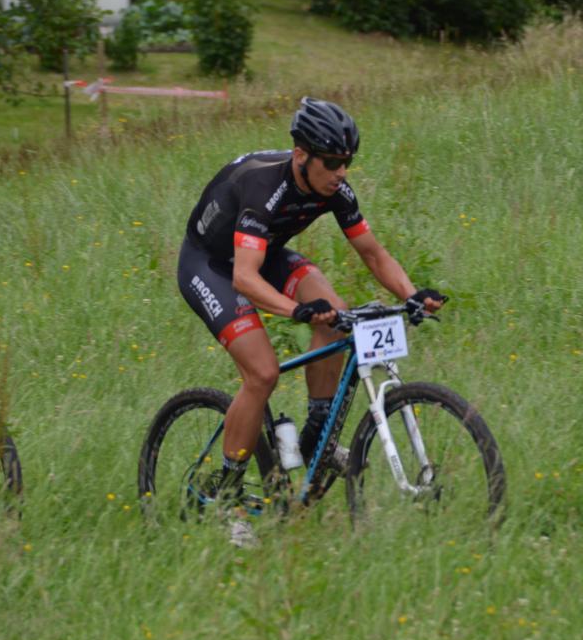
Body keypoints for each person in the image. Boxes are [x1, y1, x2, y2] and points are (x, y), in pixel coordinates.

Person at [177, 97, 444, 545]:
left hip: (263, 254)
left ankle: (316, 440)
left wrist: (412, 295)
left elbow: (373, 253)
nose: (342, 172)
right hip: (212, 265)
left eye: (348, 162)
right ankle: (226, 495)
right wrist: (294, 309)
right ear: (301, 155)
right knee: (262, 373)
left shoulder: (336, 189)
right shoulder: (262, 186)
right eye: (333, 162)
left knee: (336, 316)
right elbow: (244, 278)